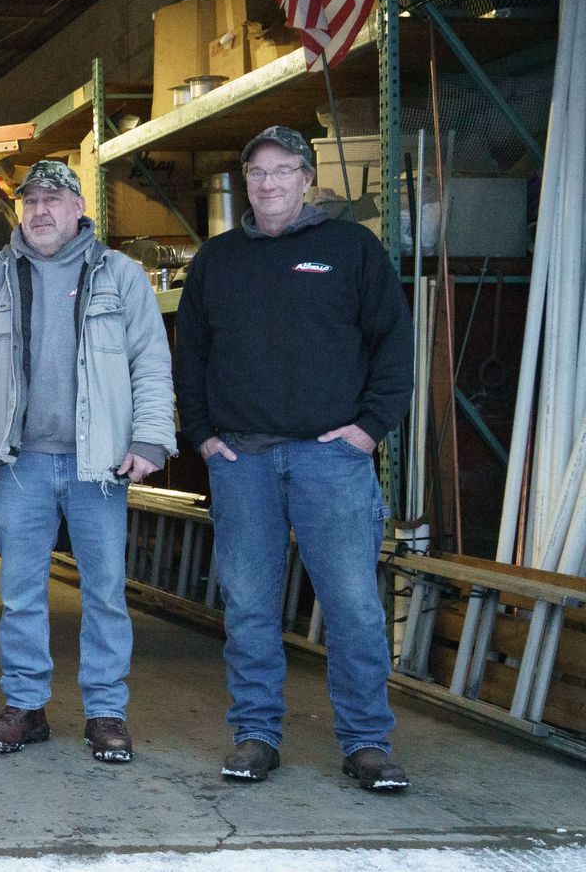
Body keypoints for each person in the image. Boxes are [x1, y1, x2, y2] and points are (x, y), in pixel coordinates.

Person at [175, 125, 413, 792]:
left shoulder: (350, 248)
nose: (269, 182)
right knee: (249, 603)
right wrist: (201, 433)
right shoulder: (217, 260)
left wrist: (368, 429)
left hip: (330, 460)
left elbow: (394, 347)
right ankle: (255, 734)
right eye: (257, 171)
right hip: (241, 459)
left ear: (307, 178)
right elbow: (188, 354)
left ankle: (366, 741)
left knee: (353, 605)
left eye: (283, 170)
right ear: (245, 180)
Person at [0, 160, 174, 763]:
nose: (40, 211)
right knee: (19, 593)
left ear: (77, 208)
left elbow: (150, 361)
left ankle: (105, 712)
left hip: (101, 467)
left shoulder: (119, 276)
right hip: (21, 464)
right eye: (31, 201)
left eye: (53, 199)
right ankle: (25, 705)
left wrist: (150, 440)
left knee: (103, 592)